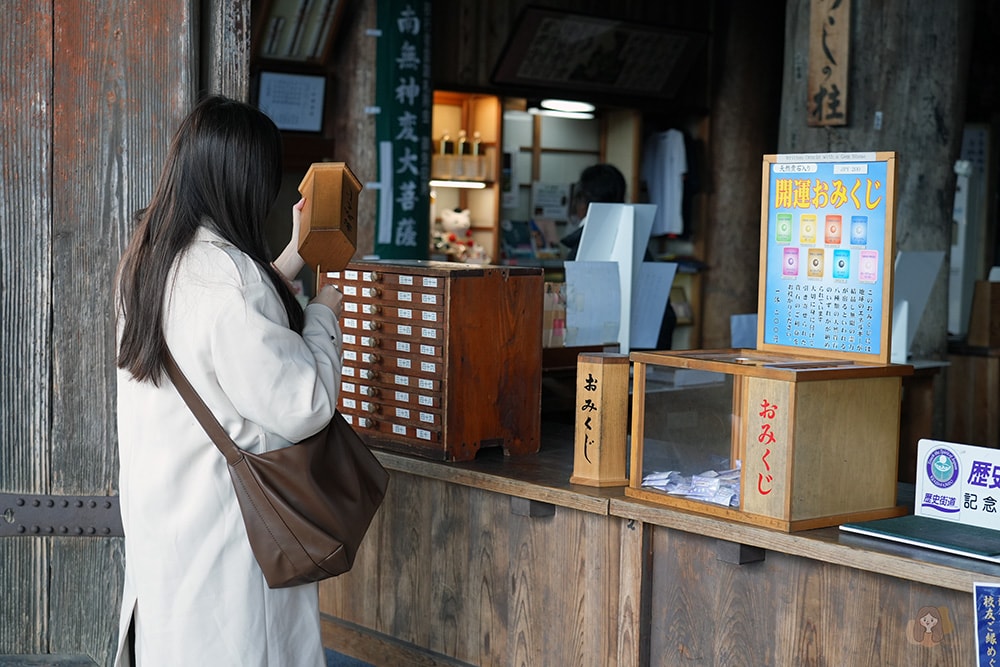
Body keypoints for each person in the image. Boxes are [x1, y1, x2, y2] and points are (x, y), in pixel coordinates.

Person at [112, 95, 343, 666]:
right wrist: (325, 313)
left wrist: (290, 256)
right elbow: (304, 402)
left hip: (169, 526)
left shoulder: (153, 260)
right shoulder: (232, 279)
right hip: (229, 539)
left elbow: (218, 333)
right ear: (240, 180)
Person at [559, 163, 677, 349]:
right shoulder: (636, 240)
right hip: (645, 354)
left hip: (594, 357)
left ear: (581, 200)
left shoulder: (581, 246)